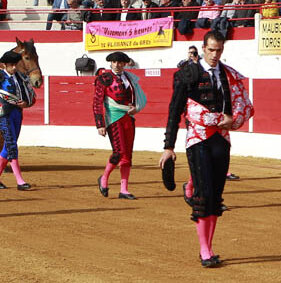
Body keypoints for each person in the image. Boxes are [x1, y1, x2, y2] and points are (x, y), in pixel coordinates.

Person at [159, 31, 254, 268]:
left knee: (215, 197)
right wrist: (168, 147)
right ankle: (204, 250)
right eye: (211, 50)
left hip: (221, 139)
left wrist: (234, 119)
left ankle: (209, 247)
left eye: (219, 50)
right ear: (203, 48)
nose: (215, 55)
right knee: (204, 195)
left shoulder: (228, 74)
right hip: (198, 139)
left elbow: (244, 105)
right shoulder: (187, 74)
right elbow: (175, 111)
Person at [0, 51, 36, 190]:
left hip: (17, 114)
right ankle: (20, 181)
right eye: (11, 65)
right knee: (11, 144)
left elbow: (29, 95)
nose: (14, 67)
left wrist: (26, 104)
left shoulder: (20, 77)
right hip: (3, 114)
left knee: (9, 145)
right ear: (5, 65)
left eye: (16, 64)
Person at [93, 51, 147, 200]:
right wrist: (100, 124)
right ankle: (104, 178)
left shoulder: (129, 77)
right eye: (114, 62)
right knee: (118, 152)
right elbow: (97, 102)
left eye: (120, 62)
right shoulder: (104, 78)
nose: (117, 65)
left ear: (124, 64)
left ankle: (124, 189)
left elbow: (136, 96)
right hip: (113, 118)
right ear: (110, 63)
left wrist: (136, 107)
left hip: (128, 117)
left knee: (127, 154)